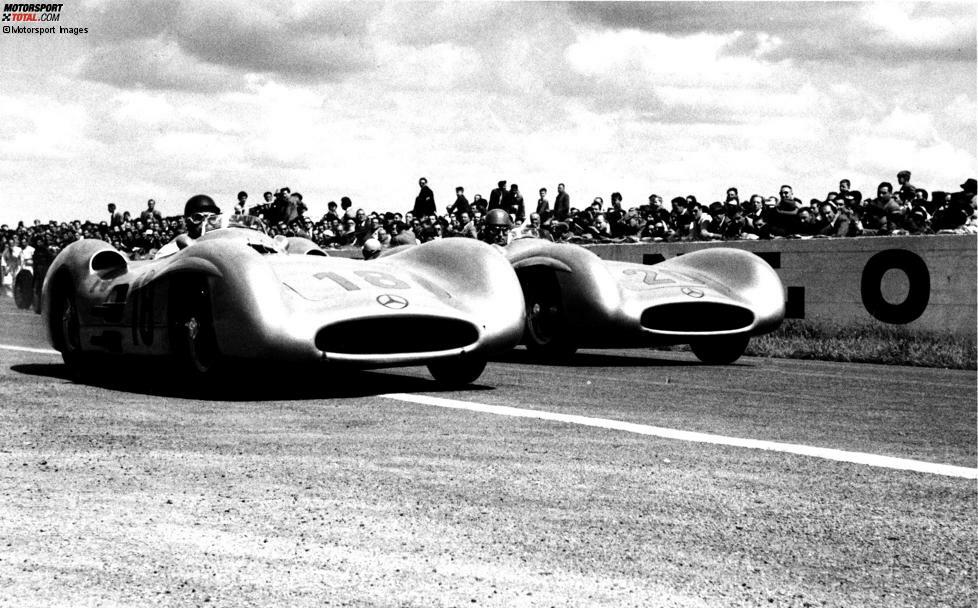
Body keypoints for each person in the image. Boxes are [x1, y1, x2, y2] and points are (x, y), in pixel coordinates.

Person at [155, 194, 221, 258]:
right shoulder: (171, 249)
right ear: (187, 220)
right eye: (198, 217)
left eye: (212, 218)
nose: (205, 223)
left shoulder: (221, 245)